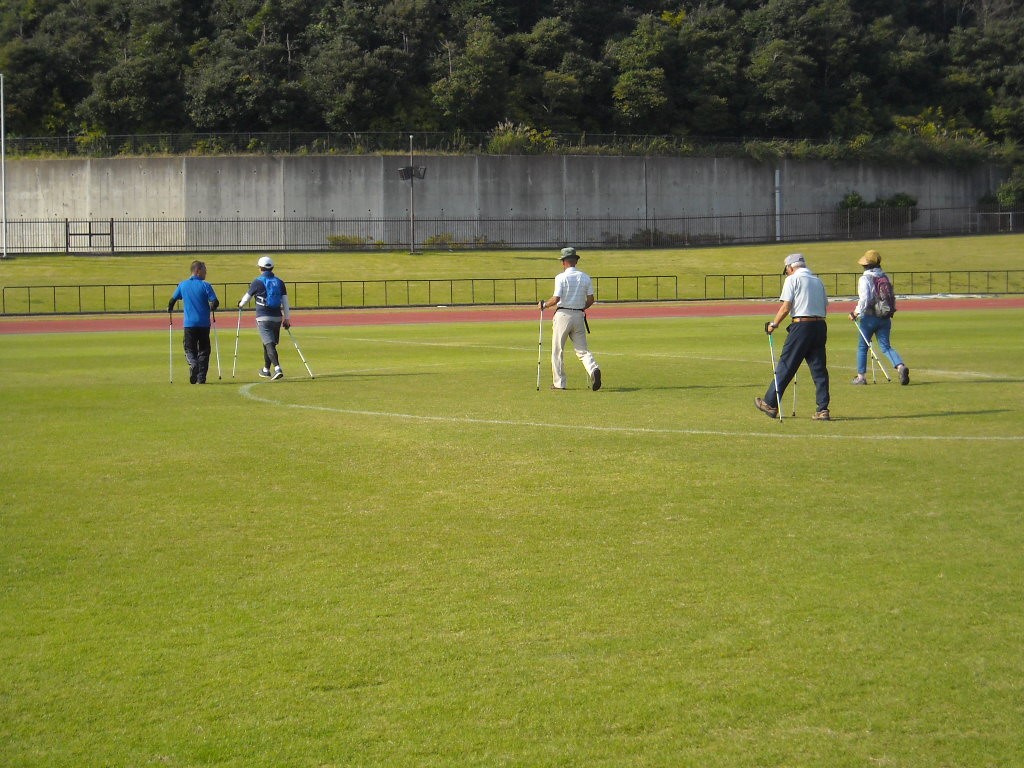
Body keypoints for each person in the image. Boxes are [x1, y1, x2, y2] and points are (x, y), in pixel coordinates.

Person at [755, 252, 831, 420]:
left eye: (787, 269)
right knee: (819, 369)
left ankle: (769, 403)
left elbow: (786, 307)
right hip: (819, 326)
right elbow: (825, 305)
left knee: (786, 365)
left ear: (790, 267)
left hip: (801, 325)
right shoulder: (818, 281)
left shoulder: (792, 279)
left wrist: (774, 324)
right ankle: (823, 408)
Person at [540, 247, 602, 391]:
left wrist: (544, 305)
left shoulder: (560, 277)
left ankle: (559, 383)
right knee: (582, 350)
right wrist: (581, 307)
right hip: (579, 315)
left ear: (563, 262)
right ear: (575, 261)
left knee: (557, 350)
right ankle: (594, 369)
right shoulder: (585, 277)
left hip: (563, 315)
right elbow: (591, 299)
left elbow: (556, 299)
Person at [848, 249, 910, 385]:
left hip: (869, 317)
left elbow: (864, 299)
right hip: (884, 317)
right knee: (886, 347)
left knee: (863, 347)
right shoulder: (884, 277)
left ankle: (861, 377)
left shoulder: (865, 279)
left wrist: (855, 312)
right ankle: (900, 366)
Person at [238, 256, 291, 380]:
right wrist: (287, 319)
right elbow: (285, 302)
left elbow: (246, 299)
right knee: (268, 343)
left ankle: (277, 368)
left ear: (260, 268)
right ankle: (266, 370)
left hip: (263, 317)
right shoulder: (280, 282)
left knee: (269, 344)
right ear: (272, 267)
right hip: (277, 317)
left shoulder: (257, 281)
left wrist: (240, 305)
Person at [168, 260, 219, 384]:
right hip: (204, 324)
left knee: (189, 348)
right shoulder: (205, 285)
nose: (206, 273)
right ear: (198, 271)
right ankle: (201, 378)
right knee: (204, 350)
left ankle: (193, 363)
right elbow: (215, 302)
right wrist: (212, 307)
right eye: (204, 270)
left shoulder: (182, 285)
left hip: (189, 324)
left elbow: (172, 301)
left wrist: (170, 309)